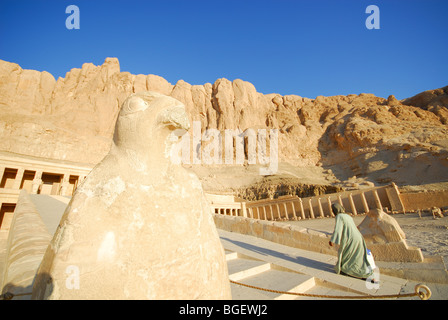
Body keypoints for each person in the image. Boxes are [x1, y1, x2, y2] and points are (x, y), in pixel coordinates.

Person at [329, 203, 374, 281]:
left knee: (347, 254)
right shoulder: (348, 216)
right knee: (357, 256)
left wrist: (333, 240)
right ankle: (364, 272)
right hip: (358, 237)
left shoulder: (339, 217)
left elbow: (338, 229)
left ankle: (347, 270)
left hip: (350, 238)